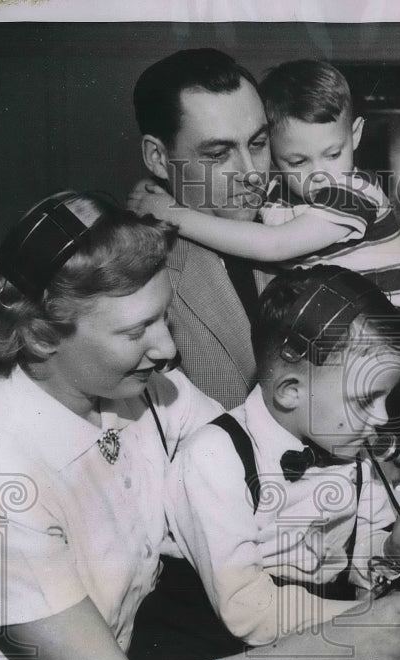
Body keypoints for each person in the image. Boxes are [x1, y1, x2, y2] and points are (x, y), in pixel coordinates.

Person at [0, 191, 400, 660]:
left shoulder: (143, 389)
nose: (167, 348)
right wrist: (346, 637)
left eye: (164, 316)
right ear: (44, 334)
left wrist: (386, 532)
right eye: (135, 331)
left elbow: (255, 460)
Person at [167, 266, 400, 647]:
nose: (382, 417)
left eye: (386, 397)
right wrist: (374, 616)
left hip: (316, 641)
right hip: (225, 659)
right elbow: (248, 610)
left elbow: (345, 552)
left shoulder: (348, 447)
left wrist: (399, 547)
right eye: (365, 400)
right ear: (290, 392)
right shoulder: (214, 457)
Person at [131, 59, 400, 310]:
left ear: (355, 135)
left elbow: (275, 244)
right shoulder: (275, 194)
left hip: (387, 333)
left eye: (333, 154)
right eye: (297, 161)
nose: (320, 174)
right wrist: (159, 192)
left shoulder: (356, 192)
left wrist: (171, 213)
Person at [133, 48, 267, 409]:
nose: (252, 172)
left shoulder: (298, 228)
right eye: (218, 154)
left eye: (258, 144)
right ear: (158, 158)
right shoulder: (135, 277)